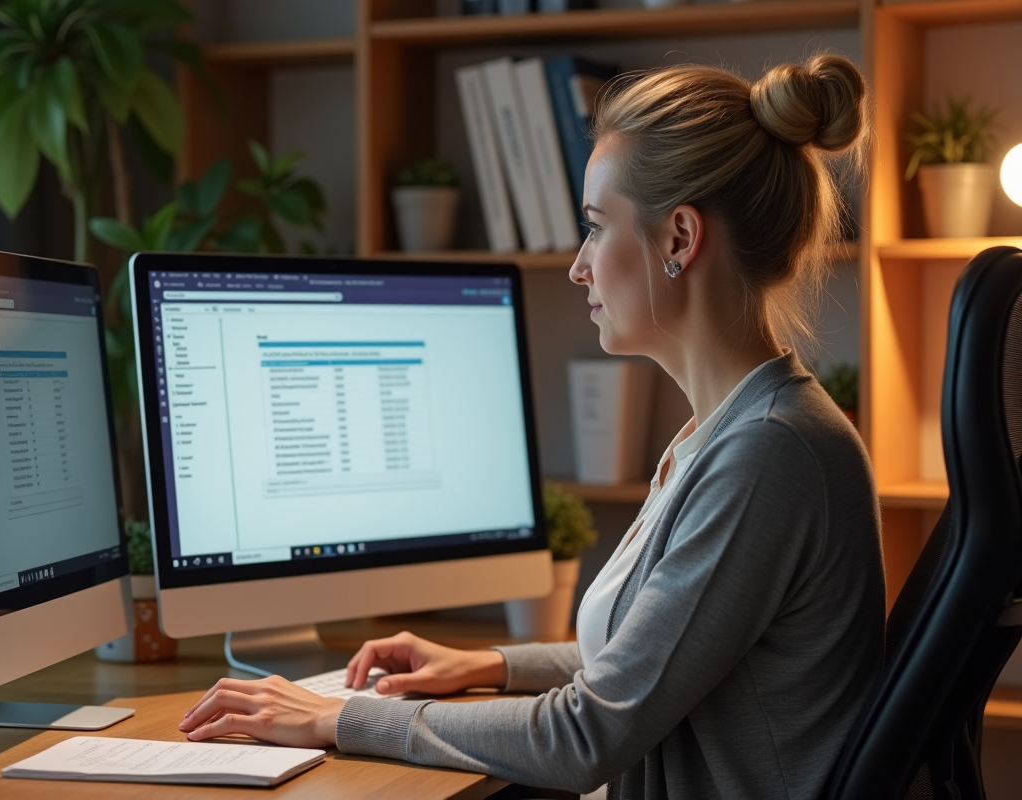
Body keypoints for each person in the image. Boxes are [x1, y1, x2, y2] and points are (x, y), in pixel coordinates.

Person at [177, 53, 885, 800]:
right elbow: (653, 657)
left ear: (679, 239)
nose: (579, 267)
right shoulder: (729, 432)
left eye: (596, 228)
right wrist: (489, 664)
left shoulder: (769, 454)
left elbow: (587, 735)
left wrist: (338, 717)